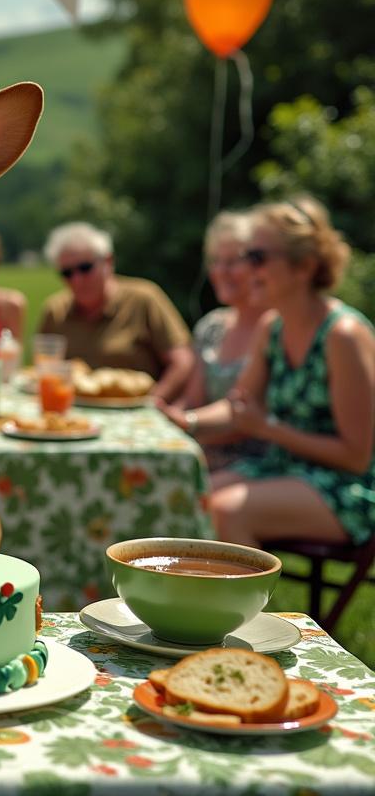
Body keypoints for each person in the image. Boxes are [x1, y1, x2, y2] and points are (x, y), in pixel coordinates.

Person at [160, 196, 375, 549]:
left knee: (225, 511)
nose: (247, 269)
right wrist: (186, 422)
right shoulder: (272, 326)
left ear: (303, 266)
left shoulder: (343, 336)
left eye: (257, 257)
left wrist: (268, 429)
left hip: (348, 488)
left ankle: (246, 606)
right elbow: (238, 407)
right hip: (285, 469)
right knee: (183, 499)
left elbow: (355, 456)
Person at [38, 221, 194, 401]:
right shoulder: (55, 310)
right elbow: (44, 370)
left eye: (85, 268)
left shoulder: (144, 299)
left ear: (108, 261)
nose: (77, 279)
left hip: (134, 414)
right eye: (67, 273)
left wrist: (152, 402)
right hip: (73, 412)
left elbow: (182, 361)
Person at [168, 211, 270, 470]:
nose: (221, 272)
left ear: (259, 266)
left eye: (233, 261)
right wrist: (162, 417)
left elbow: (248, 421)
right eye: (215, 261)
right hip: (202, 452)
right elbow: (193, 401)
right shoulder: (211, 327)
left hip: (257, 464)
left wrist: (186, 426)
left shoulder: (277, 327)